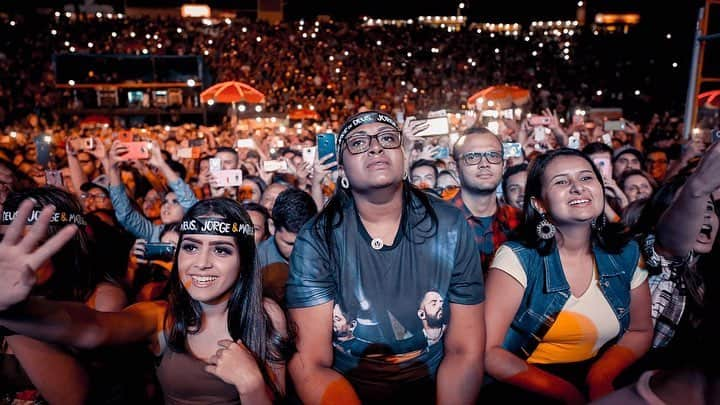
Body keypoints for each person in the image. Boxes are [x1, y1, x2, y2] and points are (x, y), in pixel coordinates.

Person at [0, 198, 292, 404]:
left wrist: (251, 385)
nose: (200, 263)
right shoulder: (161, 316)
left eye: (221, 251)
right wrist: (11, 308)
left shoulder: (266, 316)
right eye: (190, 247)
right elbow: (93, 328)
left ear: (244, 260)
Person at [286, 111, 485, 404]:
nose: (376, 146)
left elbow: (465, 350)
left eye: (388, 138)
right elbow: (311, 363)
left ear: (403, 158)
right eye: (357, 142)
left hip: (435, 385)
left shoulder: (450, 225)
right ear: (341, 169)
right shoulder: (317, 238)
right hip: (348, 389)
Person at [484, 148, 653, 403]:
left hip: (601, 373)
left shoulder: (626, 252)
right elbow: (489, 352)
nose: (578, 188)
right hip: (529, 382)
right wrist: (566, 393)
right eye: (561, 181)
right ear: (539, 203)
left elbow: (640, 330)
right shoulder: (517, 257)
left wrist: (601, 376)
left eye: (586, 178)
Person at [451, 126, 521, 274]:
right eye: (472, 157)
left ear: (503, 165)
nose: (484, 164)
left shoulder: (520, 221)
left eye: (493, 155)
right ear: (455, 167)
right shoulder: (437, 220)